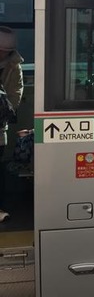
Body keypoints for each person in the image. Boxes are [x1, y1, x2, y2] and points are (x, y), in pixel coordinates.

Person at [0, 26, 24, 223]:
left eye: (6, 52)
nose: (3, 54)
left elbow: (16, 94)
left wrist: (6, 111)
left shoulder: (14, 66)